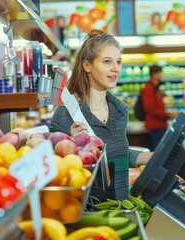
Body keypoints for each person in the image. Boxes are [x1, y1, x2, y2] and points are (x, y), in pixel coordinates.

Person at [49, 29, 151, 201]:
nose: (115, 69)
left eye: (118, 62)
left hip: (120, 206)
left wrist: (154, 156)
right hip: (87, 209)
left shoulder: (120, 111)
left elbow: (116, 153)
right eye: (107, 62)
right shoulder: (67, 113)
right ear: (87, 65)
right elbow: (54, 167)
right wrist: (73, 145)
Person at [140, 65, 169, 150]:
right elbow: (150, 109)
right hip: (155, 125)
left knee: (161, 150)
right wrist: (166, 115)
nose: (162, 75)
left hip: (160, 124)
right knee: (159, 151)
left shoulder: (156, 88)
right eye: (160, 73)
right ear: (154, 74)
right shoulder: (148, 89)